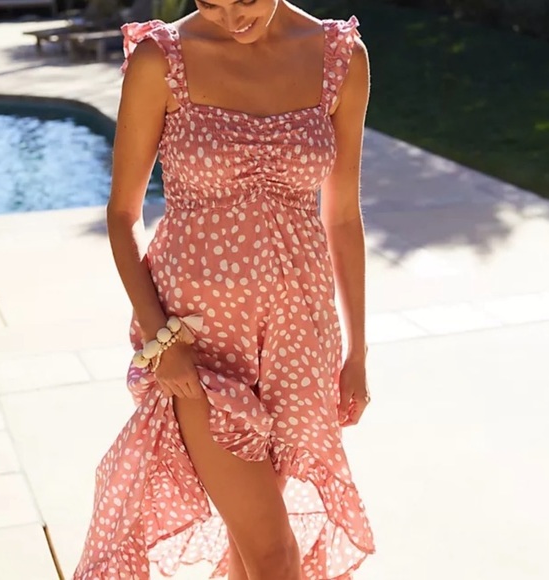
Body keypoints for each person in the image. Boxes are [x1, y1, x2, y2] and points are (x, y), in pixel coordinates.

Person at [73, 0, 375, 578]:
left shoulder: (340, 58)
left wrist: (357, 351)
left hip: (297, 339)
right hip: (198, 342)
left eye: (244, 1)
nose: (231, 19)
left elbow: (342, 217)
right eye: (210, 3)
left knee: (249, 546)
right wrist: (161, 339)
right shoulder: (162, 60)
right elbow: (122, 214)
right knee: (274, 553)